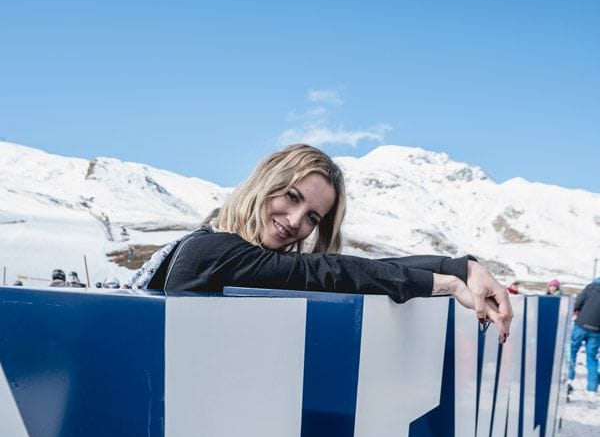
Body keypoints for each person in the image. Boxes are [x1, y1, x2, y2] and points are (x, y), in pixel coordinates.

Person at [133, 145, 512, 341]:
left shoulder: (225, 247)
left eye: (313, 217)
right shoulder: (211, 250)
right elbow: (327, 271)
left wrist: (460, 268)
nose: (296, 222)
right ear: (265, 183)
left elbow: (348, 268)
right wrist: (442, 281)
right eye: (291, 197)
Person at [568, 277, 600, 404]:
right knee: (592, 359)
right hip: (597, 330)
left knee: (571, 352)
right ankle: (592, 390)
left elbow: (578, 303)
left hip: (581, 325)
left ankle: (568, 381)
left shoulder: (591, 287)